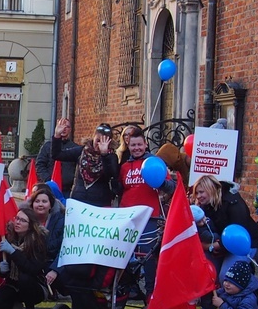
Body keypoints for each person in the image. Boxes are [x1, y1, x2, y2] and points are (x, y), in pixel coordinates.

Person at [117, 132, 175, 297]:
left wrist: (162, 183)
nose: (136, 148)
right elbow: (120, 190)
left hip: (149, 216)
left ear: (146, 145)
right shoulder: (124, 167)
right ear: (128, 146)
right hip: (127, 216)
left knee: (147, 256)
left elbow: (171, 187)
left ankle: (151, 292)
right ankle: (129, 289)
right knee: (126, 254)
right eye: (133, 145)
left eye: (139, 144)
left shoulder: (155, 163)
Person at [0, 207, 48, 309]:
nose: (18, 222)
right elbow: (4, 272)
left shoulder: (38, 241)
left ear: (30, 225)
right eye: (17, 218)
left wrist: (13, 252)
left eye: (23, 220)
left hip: (35, 286)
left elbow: (32, 269)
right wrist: (2, 269)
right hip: (14, 285)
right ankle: (16, 305)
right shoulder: (9, 239)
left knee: (24, 278)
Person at [51, 119, 119, 207]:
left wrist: (104, 155)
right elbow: (57, 155)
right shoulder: (82, 151)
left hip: (100, 202)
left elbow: (110, 175)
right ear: (93, 137)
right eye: (97, 140)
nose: (99, 145)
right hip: (79, 199)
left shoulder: (111, 156)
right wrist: (57, 136)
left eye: (103, 142)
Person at [36, 118, 78, 197]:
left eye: (67, 127)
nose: (64, 129)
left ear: (70, 130)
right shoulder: (47, 146)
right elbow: (40, 165)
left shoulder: (75, 148)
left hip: (68, 190)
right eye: (61, 126)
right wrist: (48, 180)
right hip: (50, 188)